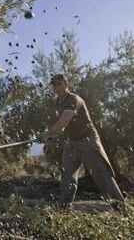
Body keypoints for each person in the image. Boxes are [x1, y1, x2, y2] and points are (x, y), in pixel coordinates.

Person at [39, 74, 125, 208]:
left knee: (101, 173)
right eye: (54, 85)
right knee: (67, 175)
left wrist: (48, 132)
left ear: (66, 85)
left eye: (59, 84)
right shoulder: (57, 102)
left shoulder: (73, 99)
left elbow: (63, 122)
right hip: (71, 143)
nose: (56, 87)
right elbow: (62, 128)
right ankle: (64, 207)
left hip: (87, 141)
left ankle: (120, 206)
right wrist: (47, 135)